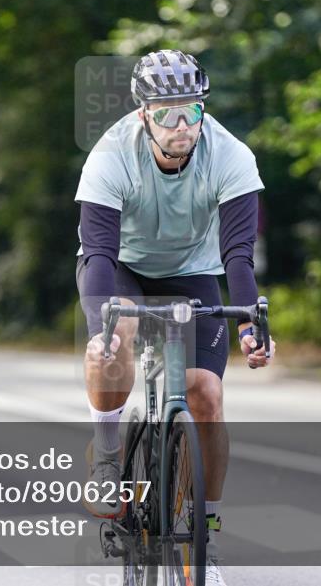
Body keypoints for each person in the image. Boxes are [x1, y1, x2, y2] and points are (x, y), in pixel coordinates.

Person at [75, 49, 275, 584]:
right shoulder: (111, 154)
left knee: (205, 394)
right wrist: (101, 330)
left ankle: (204, 540)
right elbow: (97, 252)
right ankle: (110, 452)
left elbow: (238, 255)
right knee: (121, 330)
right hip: (122, 268)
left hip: (193, 270)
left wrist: (251, 323)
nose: (182, 125)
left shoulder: (231, 156)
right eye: (167, 113)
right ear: (144, 114)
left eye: (192, 111)